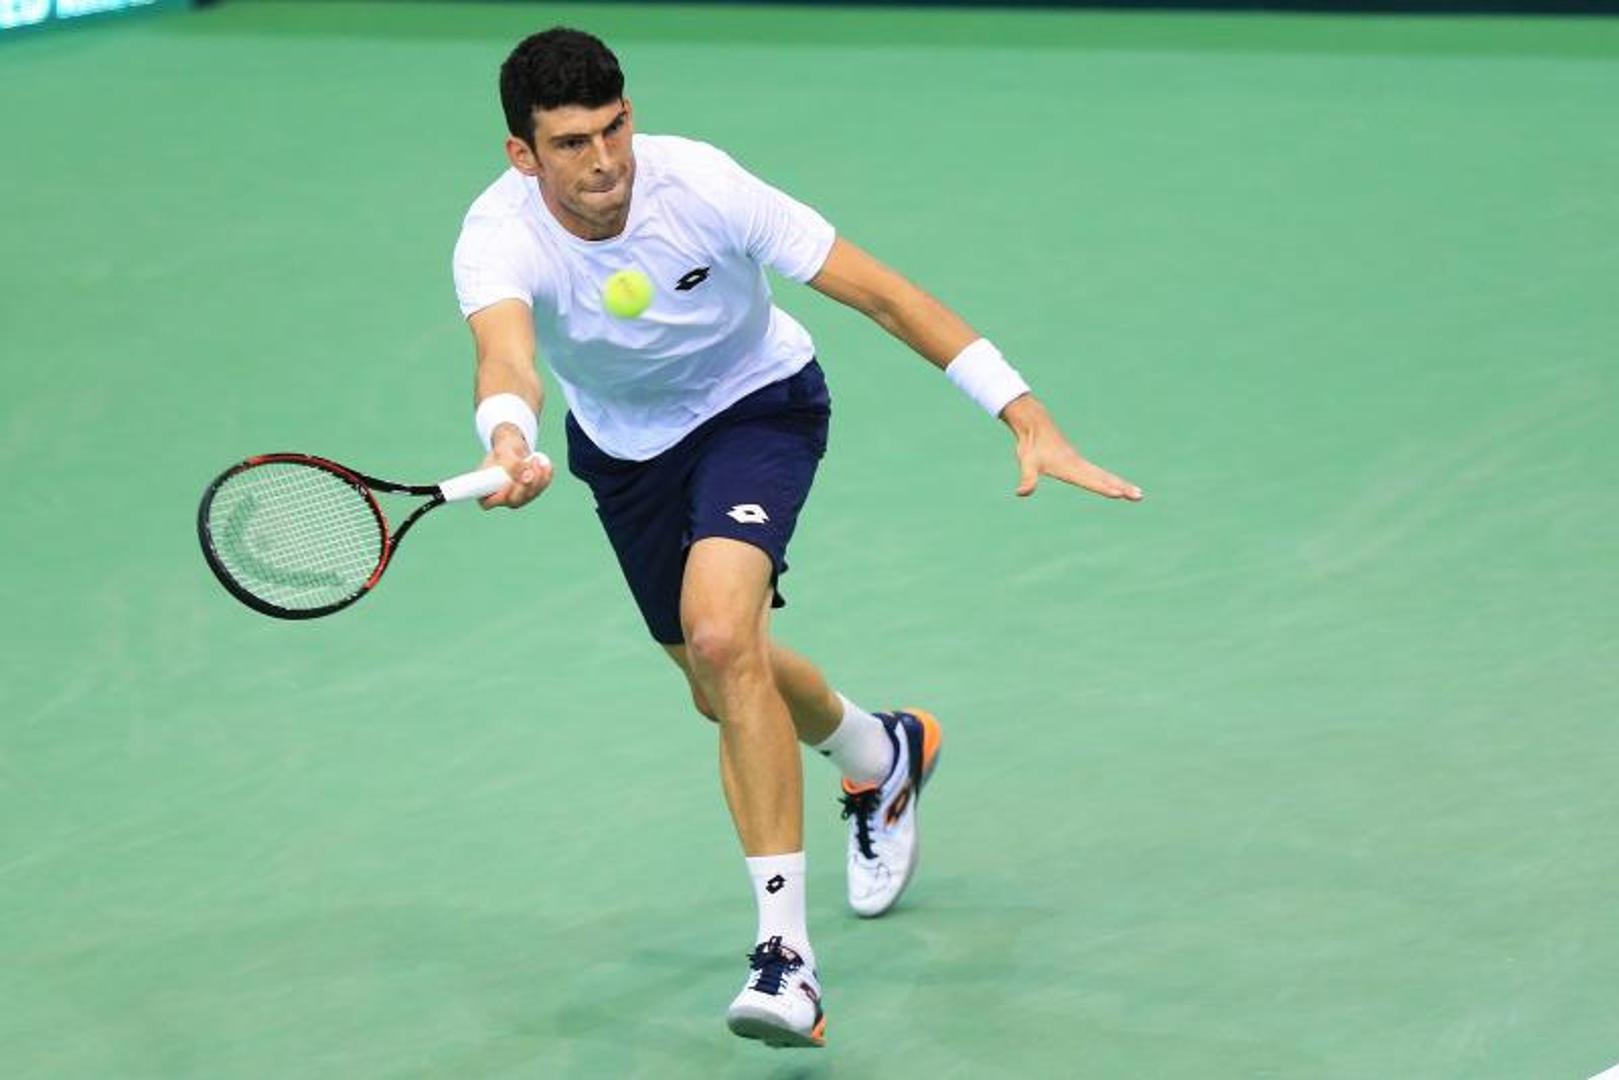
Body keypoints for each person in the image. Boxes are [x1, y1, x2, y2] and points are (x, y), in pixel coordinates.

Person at [452, 27, 1142, 1049]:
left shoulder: (704, 186)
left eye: (614, 128)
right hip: (626, 452)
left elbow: (884, 294)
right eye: (570, 143)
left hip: (757, 408)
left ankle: (786, 963)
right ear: (523, 153)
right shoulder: (495, 235)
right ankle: (879, 750)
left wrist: (1021, 410)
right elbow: (506, 358)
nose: (603, 161)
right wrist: (507, 435)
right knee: (717, 679)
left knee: (721, 636)